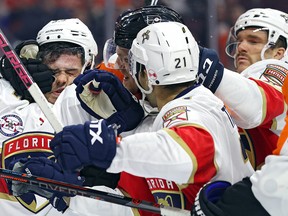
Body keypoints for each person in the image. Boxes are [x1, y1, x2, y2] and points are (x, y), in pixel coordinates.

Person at [46, 22, 254, 212]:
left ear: (144, 72)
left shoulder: (189, 110)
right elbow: (141, 206)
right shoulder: (188, 105)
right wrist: (74, 200)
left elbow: (187, 153)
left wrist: (106, 145)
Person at [0, 18, 99, 216]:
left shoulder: (99, 112)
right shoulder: (8, 100)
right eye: (53, 71)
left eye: (71, 72)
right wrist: (6, 71)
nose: (62, 79)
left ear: (88, 68)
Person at [196, 8, 288, 170]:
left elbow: (255, 107)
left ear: (279, 53)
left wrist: (206, 69)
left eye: (253, 41)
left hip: (272, 190)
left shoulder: (280, 73)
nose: (241, 47)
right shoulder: (239, 85)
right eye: (239, 40)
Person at [192, 75, 288, 216]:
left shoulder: (265, 71)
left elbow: (260, 105)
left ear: (278, 52)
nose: (240, 51)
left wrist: (213, 73)